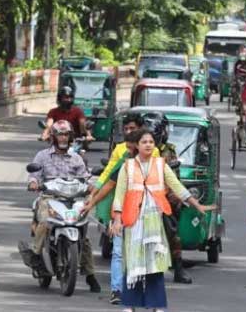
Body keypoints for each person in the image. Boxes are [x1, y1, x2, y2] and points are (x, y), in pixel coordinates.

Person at [111, 129, 214, 312]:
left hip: (154, 223)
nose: (149, 145)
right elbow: (119, 195)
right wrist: (117, 220)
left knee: (154, 264)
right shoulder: (127, 167)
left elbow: (177, 186)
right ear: (136, 145)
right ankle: (130, 305)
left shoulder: (161, 165)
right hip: (133, 222)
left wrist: (195, 204)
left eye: (151, 142)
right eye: (144, 142)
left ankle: (157, 305)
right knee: (133, 263)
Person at [27, 120, 101, 292]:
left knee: (84, 235)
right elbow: (34, 175)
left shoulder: (77, 158)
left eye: (66, 134)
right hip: (49, 197)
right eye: (60, 134)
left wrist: (92, 185)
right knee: (44, 223)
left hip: (73, 199)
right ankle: (36, 256)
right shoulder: (42, 156)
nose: (63, 137)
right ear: (53, 136)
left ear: (71, 137)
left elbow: (85, 177)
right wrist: (33, 183)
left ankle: (90, 275)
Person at [82, 132, 141, 305]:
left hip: (144, 215)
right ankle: (117, 290)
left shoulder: (154, 165)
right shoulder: (124, 164)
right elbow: (109, 185)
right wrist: (91, 203)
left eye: (132, 148)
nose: (130, 152)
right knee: (117, 253)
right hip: (121, 213)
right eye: (128, 148)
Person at [143, 112, 194, 284]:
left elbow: (173, 178)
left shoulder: (168, 151)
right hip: (140, 196)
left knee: (172, 232)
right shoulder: (136, 148)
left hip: (163, 197)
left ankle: (178, 269)